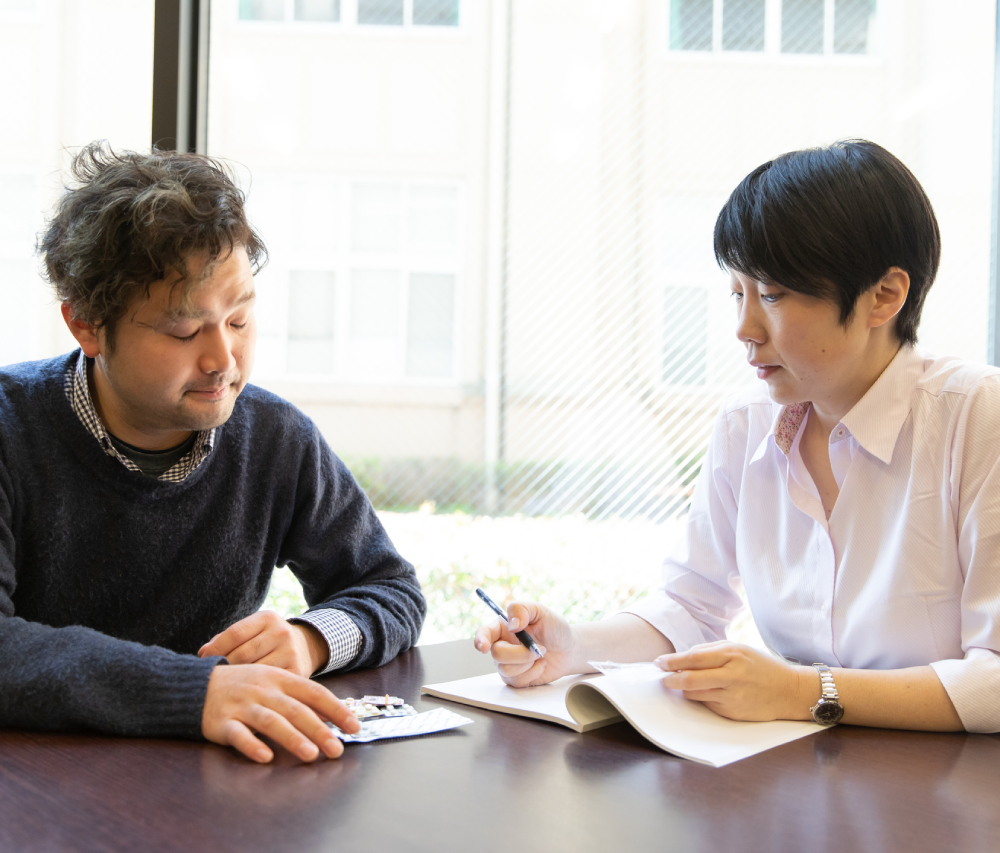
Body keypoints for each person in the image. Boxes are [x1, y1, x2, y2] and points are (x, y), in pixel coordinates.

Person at [475, 139, 1000, 734]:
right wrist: (571, 646)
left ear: (885, 296)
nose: (744, 329)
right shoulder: (746, 420)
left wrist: (804, 691)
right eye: (737, 294)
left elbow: (995, 680)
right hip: (799, 780)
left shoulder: (978, 415)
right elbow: (690, 607)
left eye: (772, 295)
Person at [0, 142, 426, 763]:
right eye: (183, 330)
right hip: (37, 787)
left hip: (209, 783)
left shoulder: (276, 438)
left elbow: (389, 588)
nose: (222, 361)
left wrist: (311, 639)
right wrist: (196, 692)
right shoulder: (12, 431)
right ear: (86, 325)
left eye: (239, 320)